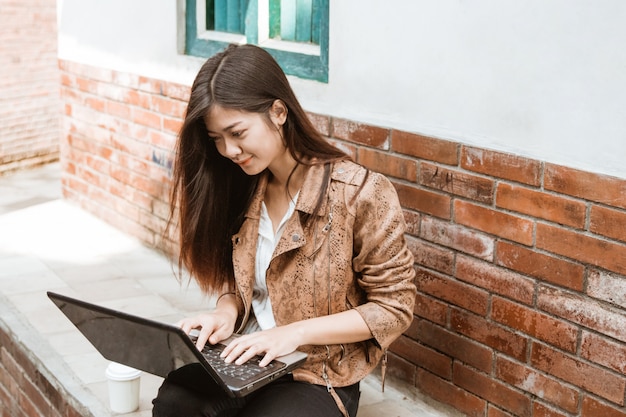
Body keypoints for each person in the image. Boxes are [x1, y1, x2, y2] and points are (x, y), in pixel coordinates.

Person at [153, 43, 417, 417]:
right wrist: (225, 314)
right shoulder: (242, 185)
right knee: (176, 399)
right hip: (250, 356)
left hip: (318, 372)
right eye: (216, 139)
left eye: (237, 132)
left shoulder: (359, 192)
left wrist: (293, 333)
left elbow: (395, 307)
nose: (229, 150)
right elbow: (243, 283)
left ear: (278, 111)